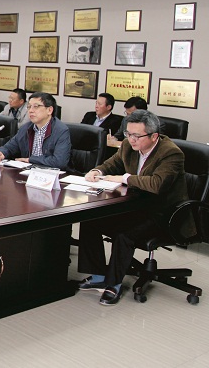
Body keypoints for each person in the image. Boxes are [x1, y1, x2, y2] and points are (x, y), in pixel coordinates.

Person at [77, 110, 189, 305]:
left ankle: (113, 284)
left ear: (154, 136)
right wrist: (97, 171)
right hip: (136, 206)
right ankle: (98, 276)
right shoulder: (128, 145)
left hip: (164, 213)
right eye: (128, 134)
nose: (131, 139)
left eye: (137, 135)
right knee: (89, 221)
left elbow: (157, 184)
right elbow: (112, 164)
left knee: (124, 235)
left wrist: (125, 178)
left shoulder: (171, 153)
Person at [0, 92, 71, 169]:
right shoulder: (26, 128)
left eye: (36, 106)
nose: (30, 110)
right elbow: (11, 146)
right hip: (28, 172)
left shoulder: (61, 131)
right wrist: (1, 152)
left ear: (49, 110)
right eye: (29, 107)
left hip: (51, 174)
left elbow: (59, 162)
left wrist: (30, 160)